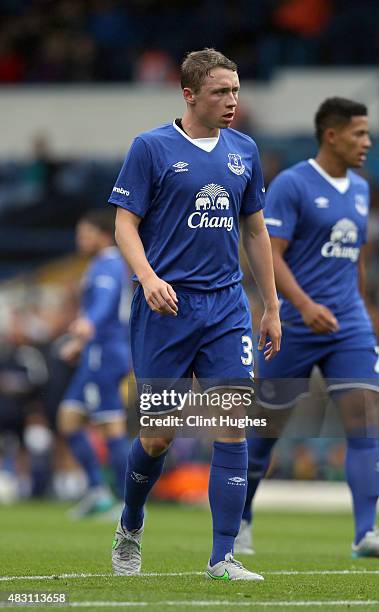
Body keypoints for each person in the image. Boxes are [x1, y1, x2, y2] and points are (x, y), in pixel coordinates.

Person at [108, 48, 281, 580]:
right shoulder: (151, 147)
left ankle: (222, 558)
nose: (232, 102)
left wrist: (271, 304)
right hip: (167, 307)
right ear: (189, 95)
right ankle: (131, 523)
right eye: (219, 93)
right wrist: (148, 277)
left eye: (235, 91)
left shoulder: (244, 151)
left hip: (226, 305)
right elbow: (124, 224)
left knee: (233, 425)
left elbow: (255, 230)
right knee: (158, 436)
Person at [235, 97, 379, 558]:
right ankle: (240, 519)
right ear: (332, 135)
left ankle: (365, 533)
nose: (367, 142)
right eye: (360, 133)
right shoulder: (293, 185)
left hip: (347, 325)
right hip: (294, 325)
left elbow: (355, 257)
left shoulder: (360, 188)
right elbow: (270, 254)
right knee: (265, 432)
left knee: (365, 422)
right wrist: (302, 303)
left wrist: (363, 309)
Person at [58, 209, 132, 518]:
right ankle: (97, 491)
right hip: (97, 350)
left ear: (101, 235)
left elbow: (105, 303)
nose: (80, 239)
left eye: (85, 233)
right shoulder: (103, 264)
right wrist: (80, 342)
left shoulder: (108, 265)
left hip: (106, 352)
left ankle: (128, 502)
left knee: (110, 424)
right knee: (69, 418)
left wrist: (87, 324)